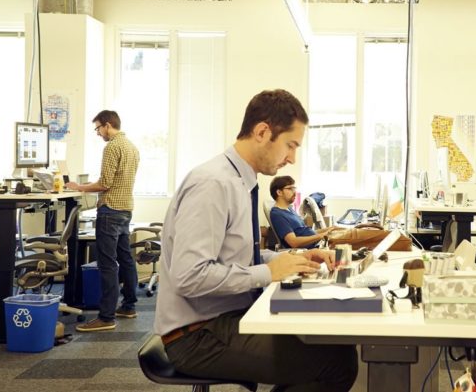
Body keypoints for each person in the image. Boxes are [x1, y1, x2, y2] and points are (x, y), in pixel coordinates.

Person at [153, 89, 358, 391]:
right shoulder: (213, 184)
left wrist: (292, 260)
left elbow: (236, 257)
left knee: (333, 345)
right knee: (337, 362)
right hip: (196, 335)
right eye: (290, 145)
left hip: (220, 319)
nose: (292, 158)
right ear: (262, 132)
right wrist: (267, 273)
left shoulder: (240, 181)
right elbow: (189, 276)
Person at [65, 110, 140, 332]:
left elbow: (105, 183)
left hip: (110, 210)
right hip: (125, 208)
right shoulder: (132, 147)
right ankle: (129, 306)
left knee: (107, 264)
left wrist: (79, 187)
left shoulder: (112, 147)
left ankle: (106, 317)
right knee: (126, 259)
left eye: (98, 128)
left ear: (107, 125)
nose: (97, 133)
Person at [269, 176, 337, 249]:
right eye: (290, 188)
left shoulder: (289, 209)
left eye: (294, 188)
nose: (295, 192)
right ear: (279, 192)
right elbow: (294, 242)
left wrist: (328, 230)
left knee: (340, 232)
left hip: (317, 244)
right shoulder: (277, 214)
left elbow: (306, 233)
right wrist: (321, 236)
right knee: (343, 242)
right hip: (308, 250)